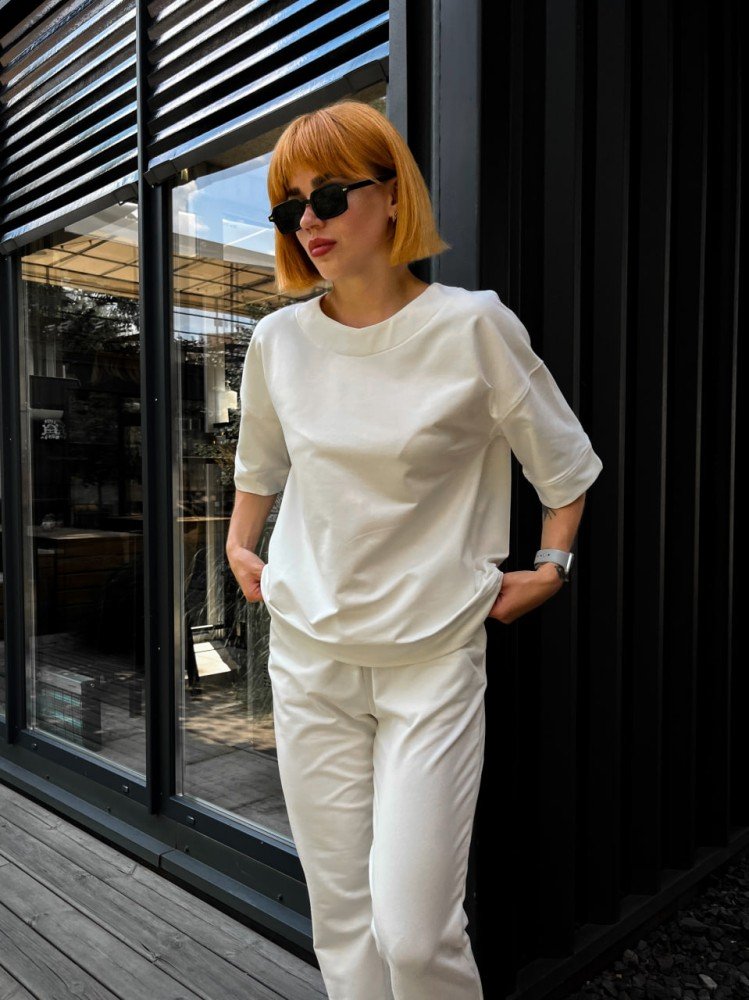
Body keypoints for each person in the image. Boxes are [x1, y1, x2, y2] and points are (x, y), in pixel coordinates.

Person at [226, 99, 602, 1000]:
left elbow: (563, 465)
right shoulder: (278, 341)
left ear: (393, 194)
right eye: (289, 207)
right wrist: (242, 548)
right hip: (309, 654)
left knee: (413, 932)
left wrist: (551, 568)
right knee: (342, 921)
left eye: (328, 195)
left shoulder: (471, 326)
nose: (307, 221)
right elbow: (260, 464)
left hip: (430, 659)